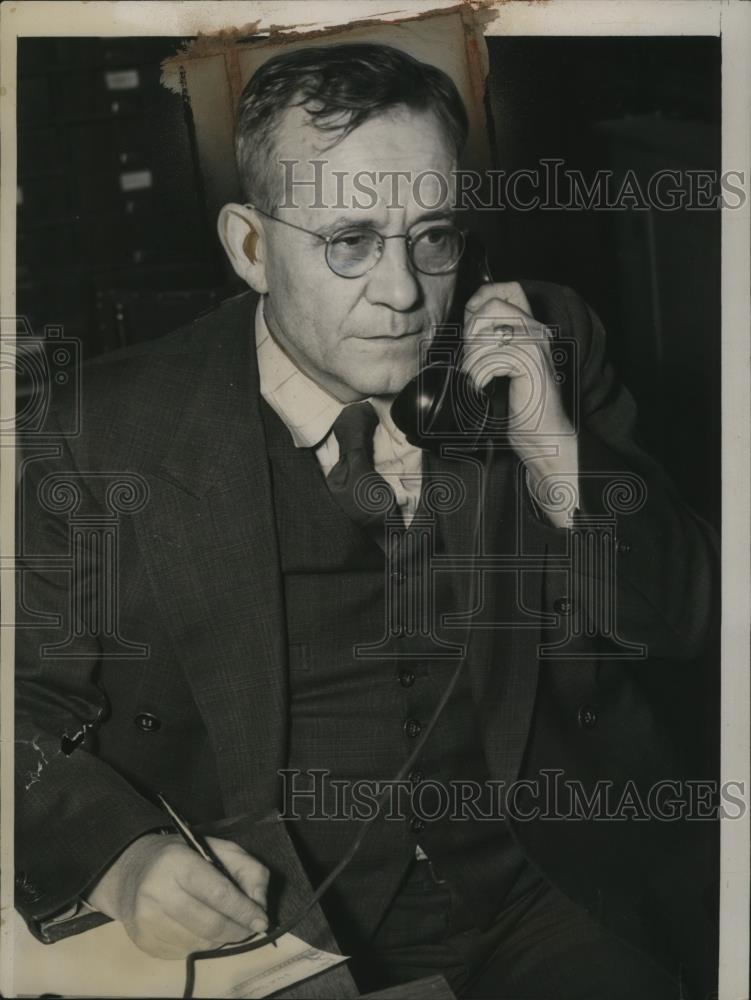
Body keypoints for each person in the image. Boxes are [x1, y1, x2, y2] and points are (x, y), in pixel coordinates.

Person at [15, 43, 718, 999]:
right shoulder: (104, 432)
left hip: (552, 886)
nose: (401, 294)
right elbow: (21, 708)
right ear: (250, 248)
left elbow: (683, 621)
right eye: (348, 242)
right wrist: (123, 858)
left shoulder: (541, 339)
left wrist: (554, 450)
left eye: (432, 237)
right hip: (281, 932)